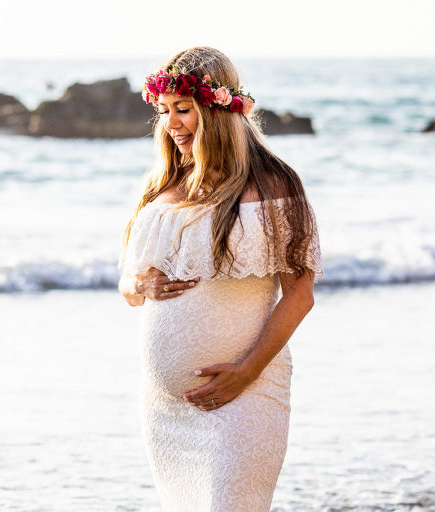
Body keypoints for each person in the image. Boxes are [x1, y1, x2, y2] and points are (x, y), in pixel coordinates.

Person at [117, 46, 324, 511]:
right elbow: (128, 286)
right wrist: (142, 286)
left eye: (184, 110)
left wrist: (245, 373)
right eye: (165, 111)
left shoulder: (274, 184)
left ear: (218, 108)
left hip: (244, 396)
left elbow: (300, 294)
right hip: (166, 409)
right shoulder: (162, 184)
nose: (171, 123)